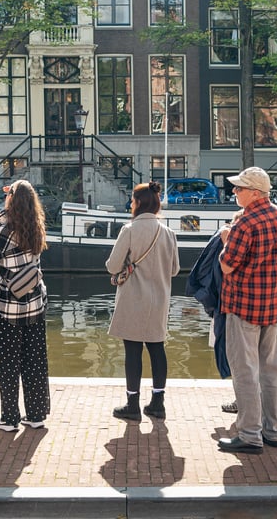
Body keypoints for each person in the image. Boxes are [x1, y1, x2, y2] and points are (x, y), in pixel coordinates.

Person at [216, 167, 277, 454]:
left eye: (239, 188)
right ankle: (273, 430)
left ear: (255, 193)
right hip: (273, 306)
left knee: (244, 371)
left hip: (243, 305)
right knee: (270, 371)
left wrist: (226, 238)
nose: (234, 192)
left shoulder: (245, 222)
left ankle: (249, 434)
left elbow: (227, 264)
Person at [0, 180, 51, 432]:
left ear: (10, 202)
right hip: (34, 304)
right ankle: (35, 415)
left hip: (8, 306)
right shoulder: (37, 228)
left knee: (6, 360)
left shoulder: (1, 231)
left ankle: (9, 418)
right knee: (34, 360)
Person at [106, 181, 180, 422]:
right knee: (157, 348)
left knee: (133, 350)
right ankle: (158, 403)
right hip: (159, 300)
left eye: (132, 200)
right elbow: (175, 269)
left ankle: (132, 404)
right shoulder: (168, 232)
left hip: (133, 298)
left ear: (138, 203)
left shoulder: (129, 230)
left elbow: (113, 266)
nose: (130, 203)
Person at [186, 210, 243, 414]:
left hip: (228, 304)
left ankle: (242, 402)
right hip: (256, 306)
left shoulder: (226, 238)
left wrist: (210, 302)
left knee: (236, 355)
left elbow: (210, 271)